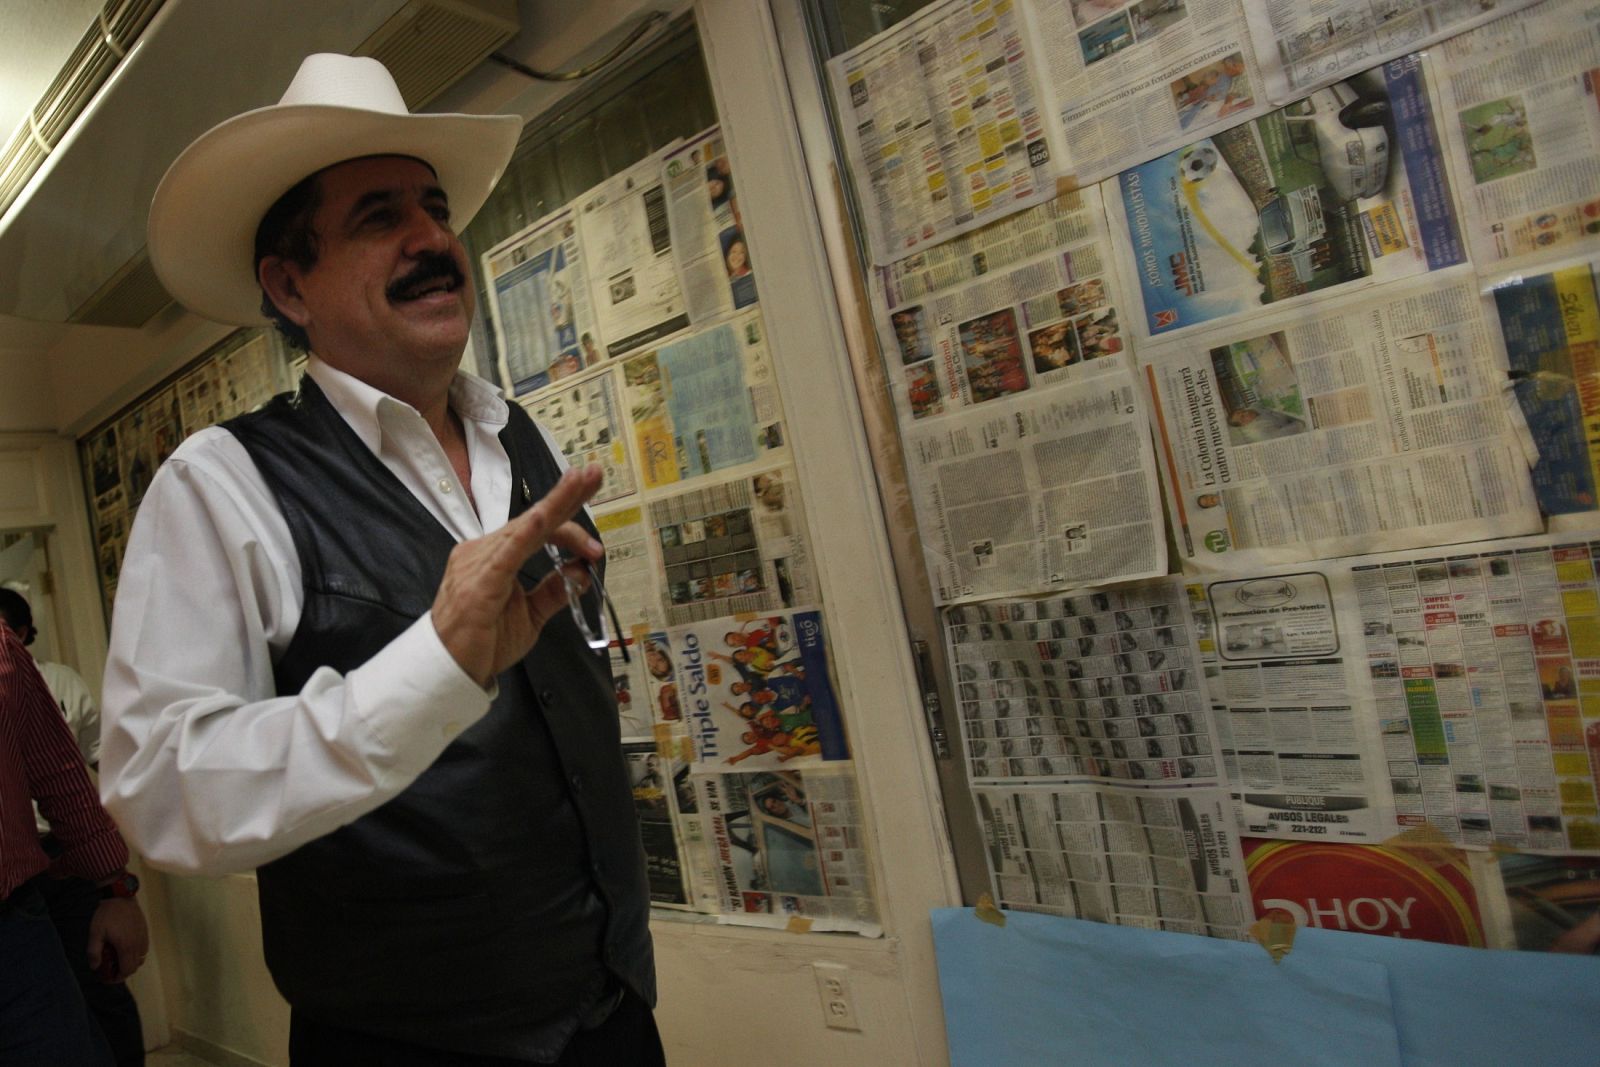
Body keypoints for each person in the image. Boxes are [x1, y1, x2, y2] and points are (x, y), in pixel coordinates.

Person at [102, 55, 657, 1063]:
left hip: (611, 1011)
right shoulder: (224, 482)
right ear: (288, 284)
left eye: (435, 208)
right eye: (377, 217)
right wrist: (433, 662)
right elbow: (162, 787)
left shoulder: (518, 437)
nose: (434, 239)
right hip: (402, 1041)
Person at [0, 589, 145, 1065]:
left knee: (94, 1007)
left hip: (18, 911)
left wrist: (115, 887)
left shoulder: (7, 654)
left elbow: (64, 772)